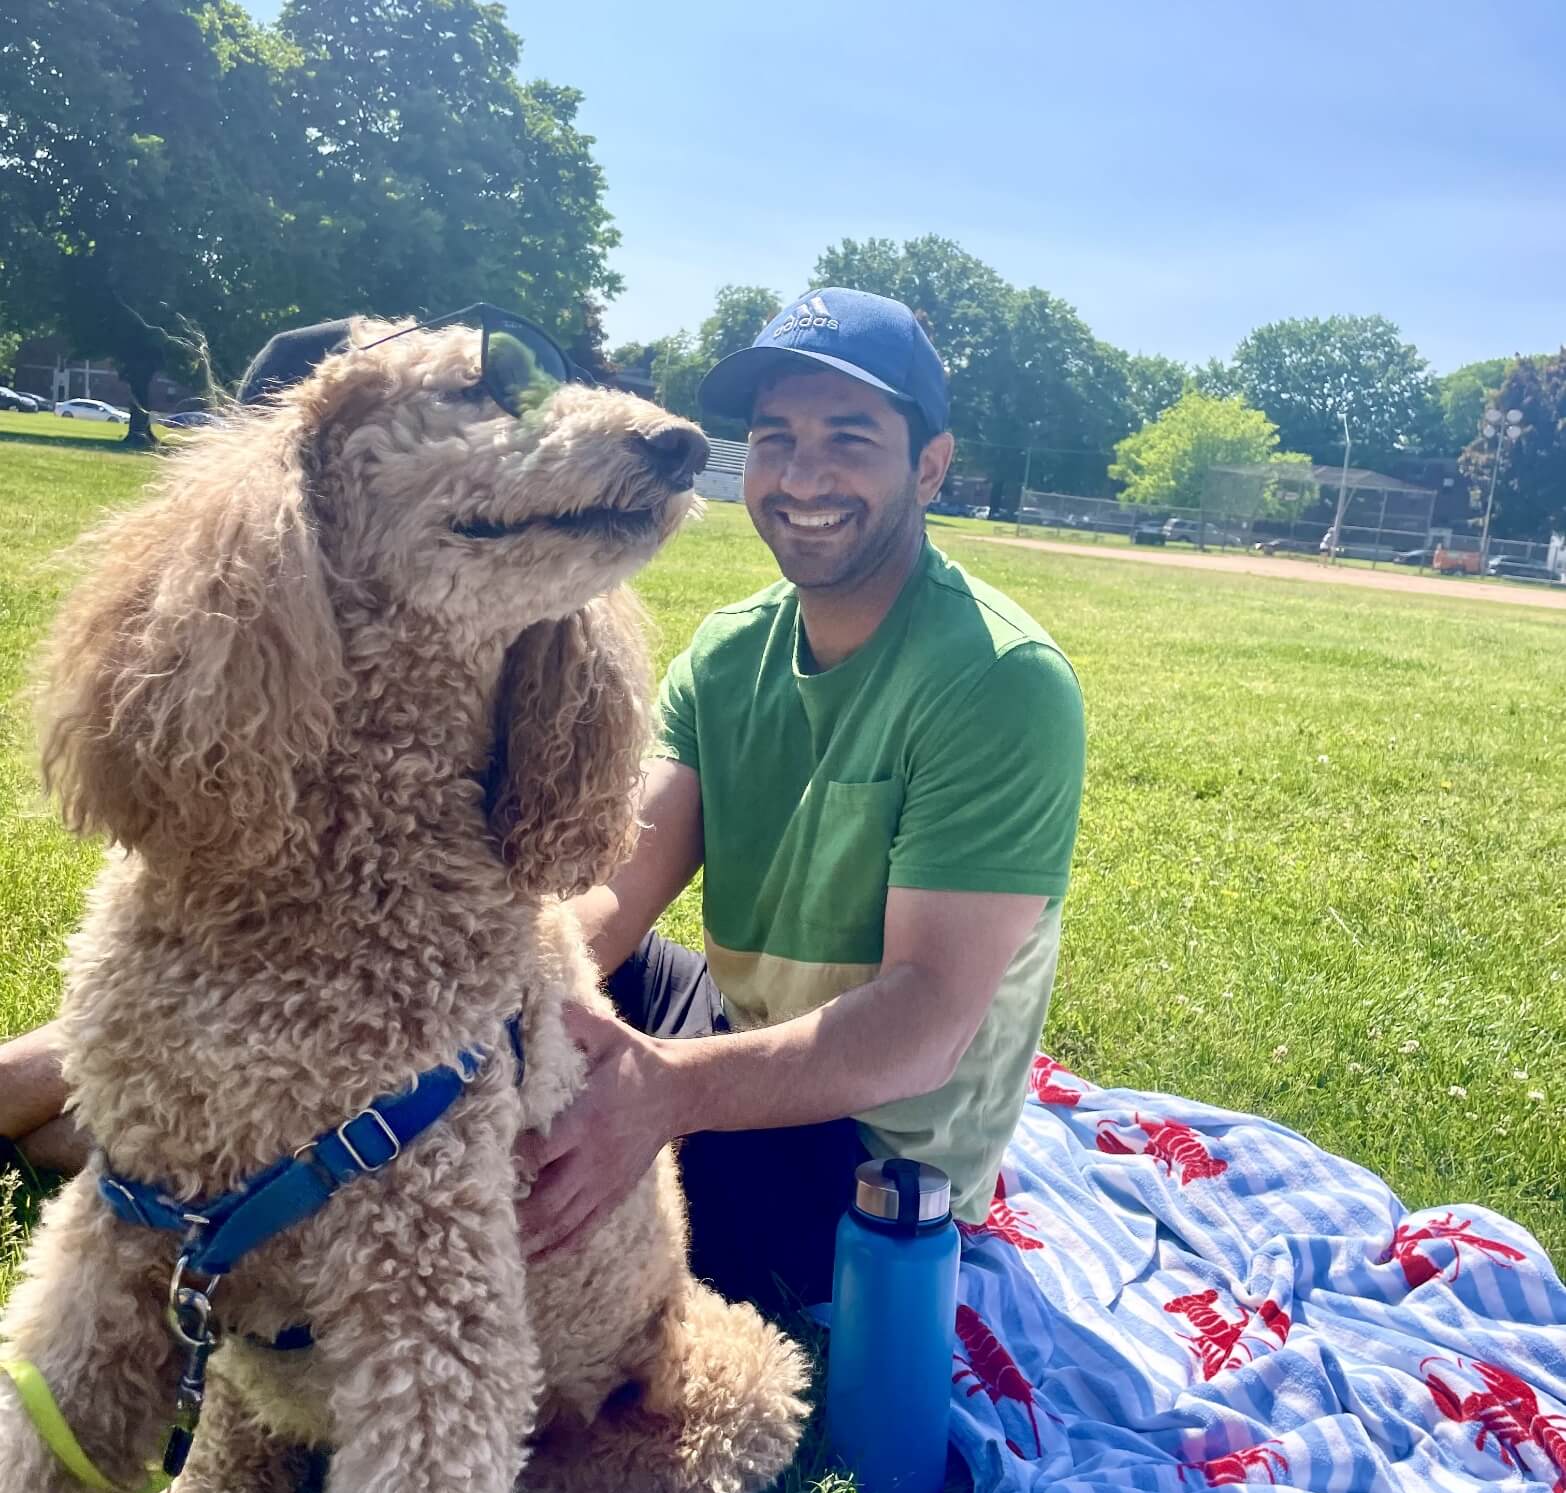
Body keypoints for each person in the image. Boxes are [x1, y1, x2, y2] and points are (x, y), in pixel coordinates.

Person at [0, 288, 1085, 1315]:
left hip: (867, 1155)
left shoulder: (999, 680)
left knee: (450, 1177)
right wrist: (498, 1004)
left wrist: (657, 1091)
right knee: (380, 990)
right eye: (774, 438)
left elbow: (924, 1023)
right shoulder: (733, 649)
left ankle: (146, 1160)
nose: (803, 475)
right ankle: (57, 1076)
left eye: (850, 438)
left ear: (932, 466)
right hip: (723, 1022)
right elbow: (613, 891)